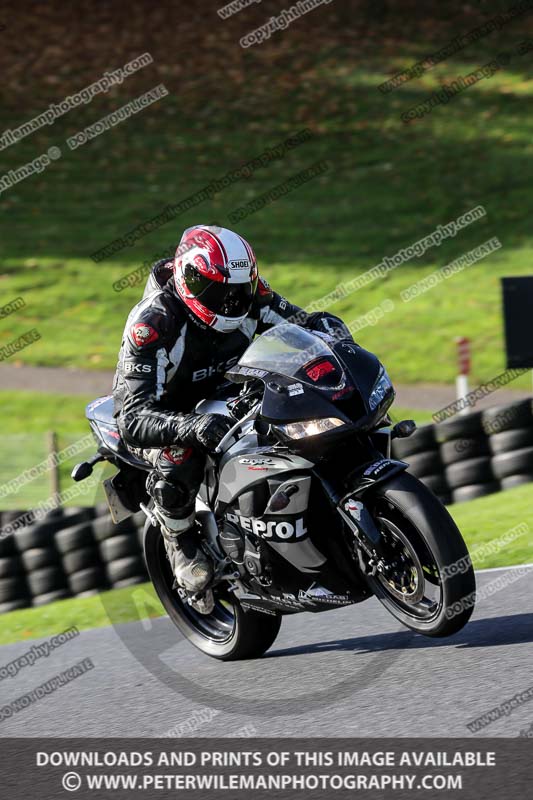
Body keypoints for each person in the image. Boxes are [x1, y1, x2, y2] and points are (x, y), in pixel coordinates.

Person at [112, 225, 350, 613]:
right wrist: (190, 425)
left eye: (240, 290)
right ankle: (181, 542)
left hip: (230, 394)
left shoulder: (251, 296)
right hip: (164, 414)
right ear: (189, 279)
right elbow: (133, 418)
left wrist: (331, 332)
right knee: (180, 456)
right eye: (218, 292)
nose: (231, 302)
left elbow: (299, 326)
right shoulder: (153, 324)